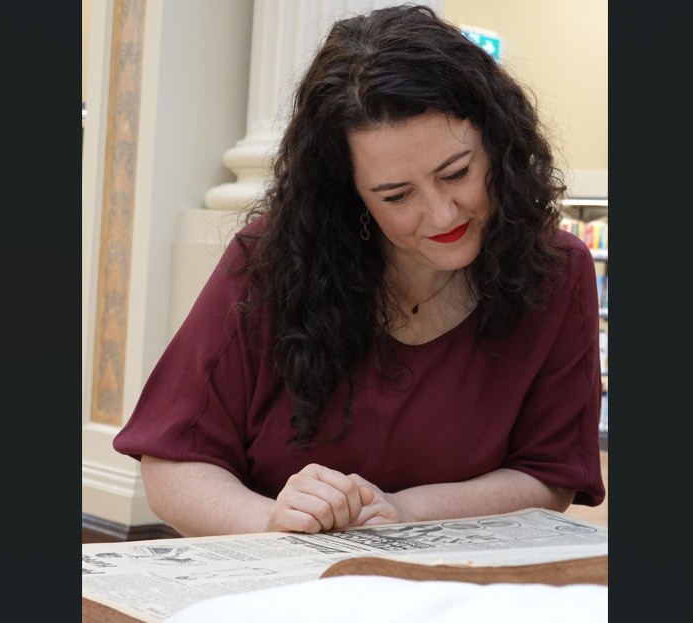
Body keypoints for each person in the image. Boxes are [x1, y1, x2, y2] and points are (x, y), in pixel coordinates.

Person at [113, 3, 605, 537]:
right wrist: (271, 522)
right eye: (396, 195)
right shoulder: (271, 258)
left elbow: (549, 475)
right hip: (279, 572)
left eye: (457, 173)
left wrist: (406, 511)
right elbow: (173, 461)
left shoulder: (558, 271)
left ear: (497, 144)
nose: (442, 215)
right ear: (350, 196)